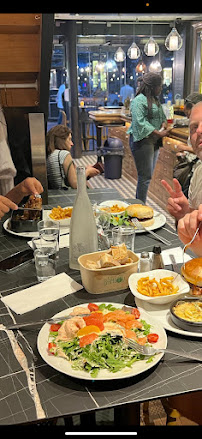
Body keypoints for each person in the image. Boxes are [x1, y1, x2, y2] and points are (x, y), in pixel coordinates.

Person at [128, 72, 171, 203]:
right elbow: (140, 122)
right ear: (152, 87)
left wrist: (164, 122)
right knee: (144, 177)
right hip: (142, 141)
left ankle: (141, 204)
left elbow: (162, 116)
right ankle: (140, 206)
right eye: (159, 86)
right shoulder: (138, 101)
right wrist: (158, 133)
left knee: (148, 176)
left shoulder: (155, 99)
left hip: (154, 141)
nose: (161, 89)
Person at [161, 100, 202, 221]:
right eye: (194, 127)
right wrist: (183, 213)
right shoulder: (199, 172)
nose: (199, 131)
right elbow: (194, 223)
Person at [46, 125, 100, 190]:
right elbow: (75, 184)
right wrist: (88, 172)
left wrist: (84, 170)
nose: (72, 143)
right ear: (61, 140)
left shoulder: (50, 154)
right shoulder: (64, 154)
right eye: (69, 139)